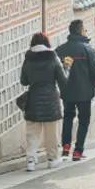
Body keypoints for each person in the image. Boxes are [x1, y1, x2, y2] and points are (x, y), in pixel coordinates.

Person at [56, 19, 95, 161]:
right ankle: (78, 151)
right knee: (83, 120)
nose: (86, 32)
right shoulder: (87, 49)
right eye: (85, 29)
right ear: (80, 31)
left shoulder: (60, 50)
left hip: (67, 91)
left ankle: (66, 147)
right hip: (85, 93)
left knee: (68, 117)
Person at [20, 33, 68, 171]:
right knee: (51, 133)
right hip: (50, 101)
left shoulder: (28, 59)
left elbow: (23, 81)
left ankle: (30, 160)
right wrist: (66, 68)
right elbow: (63, 81)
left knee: (32, 133)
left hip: (33, 100)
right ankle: (52, 159)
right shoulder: (53, 57)